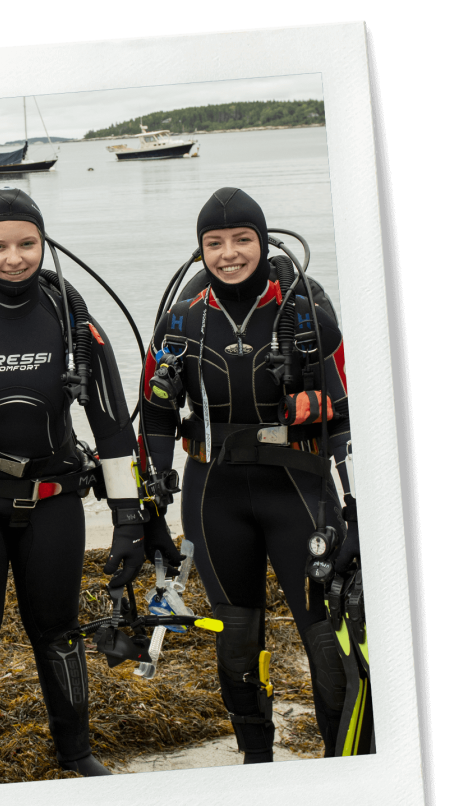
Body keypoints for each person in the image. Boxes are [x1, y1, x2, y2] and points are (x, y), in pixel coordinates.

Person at [0, 187, 177, 787]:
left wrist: (129, 518)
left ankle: (75, 752)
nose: (14, 257)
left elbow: (110, 425)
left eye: (27, 243)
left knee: (58, 628)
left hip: (54, 501)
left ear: (43, 244)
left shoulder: (74, 324)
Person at [141, 186, 358, 762]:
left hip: (301, 493)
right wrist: (149, 501)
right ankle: (258, 766)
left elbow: (344, 417)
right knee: (237, 643)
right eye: (215, 243)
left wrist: (357, 502)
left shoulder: (306, 314)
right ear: (200, 249)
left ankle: (346, 765)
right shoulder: (181, 321)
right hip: (215, 497)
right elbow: (157, 417)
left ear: (262, 242)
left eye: (242, 239)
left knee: (328, 643)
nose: (229, 253)